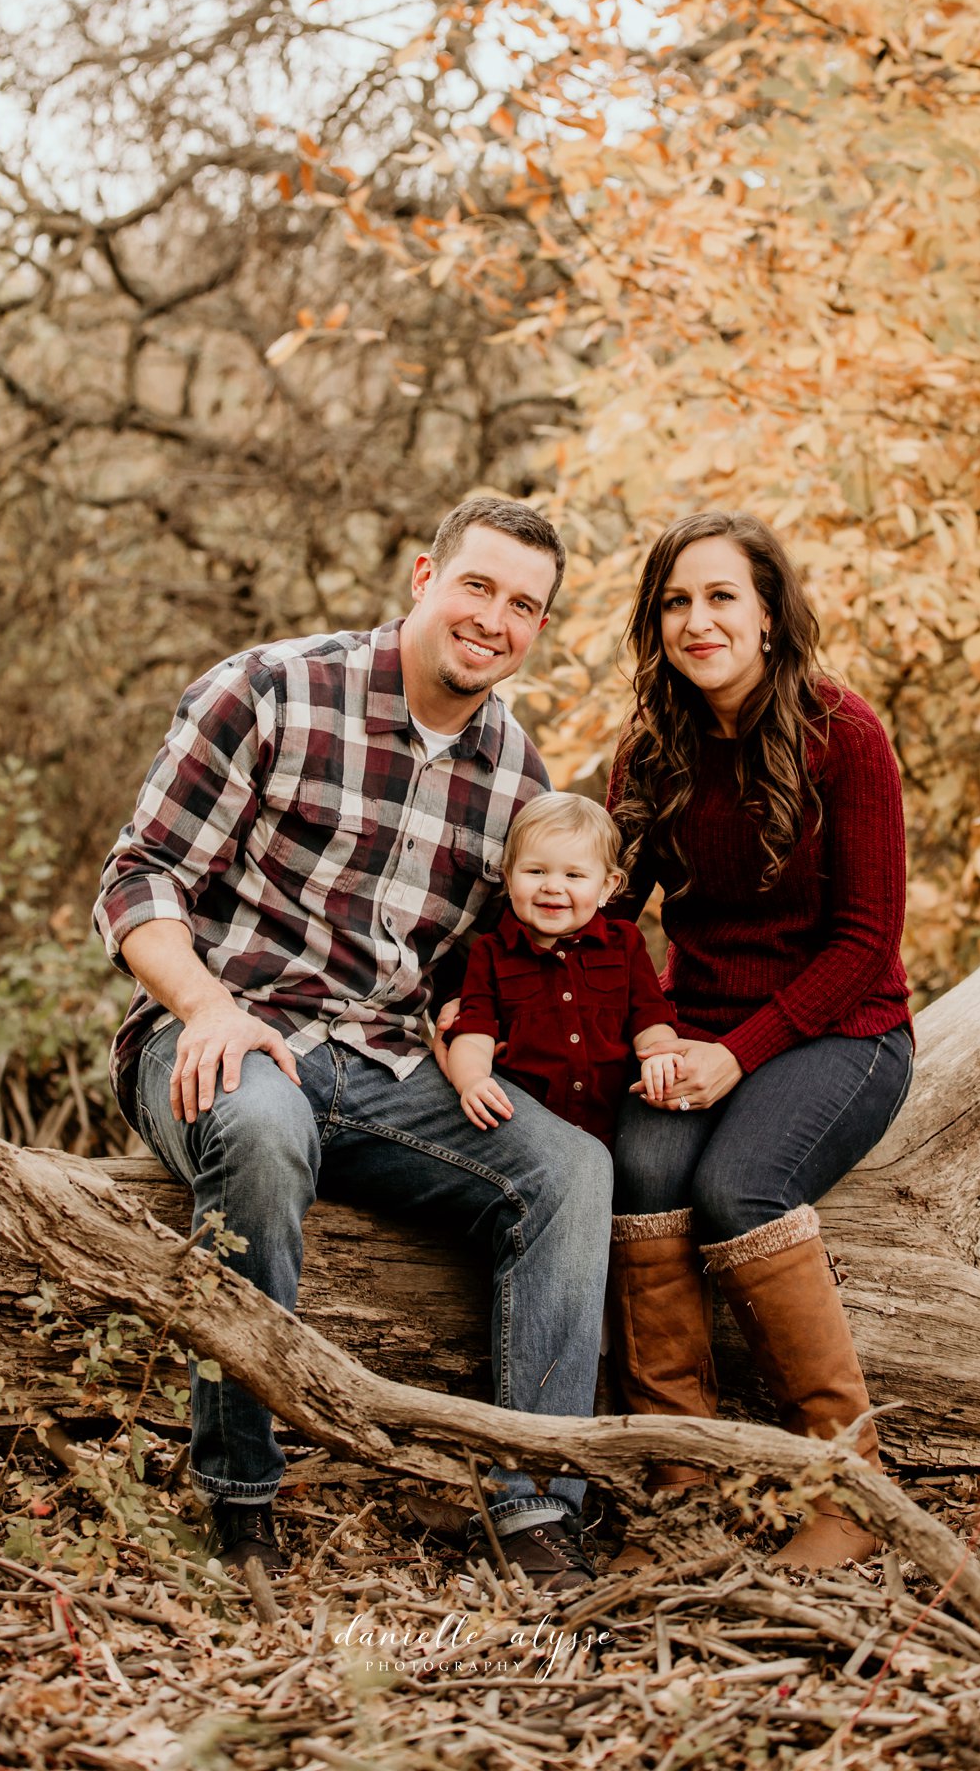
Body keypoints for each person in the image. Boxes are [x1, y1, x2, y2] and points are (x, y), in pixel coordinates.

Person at [92, 497, 612, 1593]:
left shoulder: (514, 769)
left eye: (525, 605)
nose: (495, 618)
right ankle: (242, 1503)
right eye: (478, 585)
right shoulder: (273, 689)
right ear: (425, 574)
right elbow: (139, 877)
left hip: (385, 1069)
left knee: (572, 1169)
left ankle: (534, 1503)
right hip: (217, 1036)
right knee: (265, 1133)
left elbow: (503, 961)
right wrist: (208, 1007)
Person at [605, 510, 914, 1567]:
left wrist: (741, 1050)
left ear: (772, 614)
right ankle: (682, 1482)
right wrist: (656, 1026)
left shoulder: (845, 733)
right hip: (695, 1030)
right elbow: (608, 920)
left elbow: (867, 942)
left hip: (845, 1028)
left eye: (722, 596)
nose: (698, 621)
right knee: (640, 1167)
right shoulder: (650, 752)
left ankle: (850, 1481)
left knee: (741, 1188)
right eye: (676, 601)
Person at [444, 792, 681, 1148]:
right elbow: (474, 1033)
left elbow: (649, 1016)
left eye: (574, 874)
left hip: (614, 1127)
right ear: (509, 878)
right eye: (535, 871)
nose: (553, 886)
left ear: (606, 886)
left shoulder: (624, 943)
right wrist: (473, 1080)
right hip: (524, 1130)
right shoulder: (490, 953)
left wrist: (661, 1051)